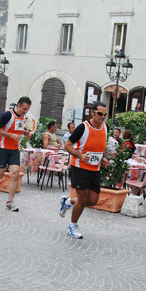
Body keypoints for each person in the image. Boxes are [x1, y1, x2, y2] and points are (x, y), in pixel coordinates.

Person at [59, 101, 109, 239]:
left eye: (105, 114)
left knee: (92, 200)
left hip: (95, 168)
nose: (102, 116)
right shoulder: (83, 127)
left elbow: (101, 146)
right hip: (80, 167)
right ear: (92, 112)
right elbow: (67, 145)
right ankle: (72, 226)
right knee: (82, 199)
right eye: (100, 113)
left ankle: (67, 202)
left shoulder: (106, 127)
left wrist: (103, 158)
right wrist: (80, 155)